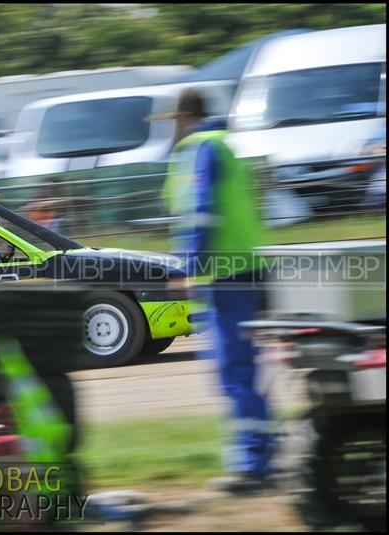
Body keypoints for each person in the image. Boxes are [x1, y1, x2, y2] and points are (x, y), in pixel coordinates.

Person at [158, 88, 273, 493]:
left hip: (227, 276)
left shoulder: (199, 149)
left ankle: (252, 466)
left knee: (235, 372)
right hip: (247, 269)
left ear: (181, 118)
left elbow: (201, 212)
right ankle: (261, 453)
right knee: (242, 370)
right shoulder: (225, 144)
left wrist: (189, 268)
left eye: (170, 122)